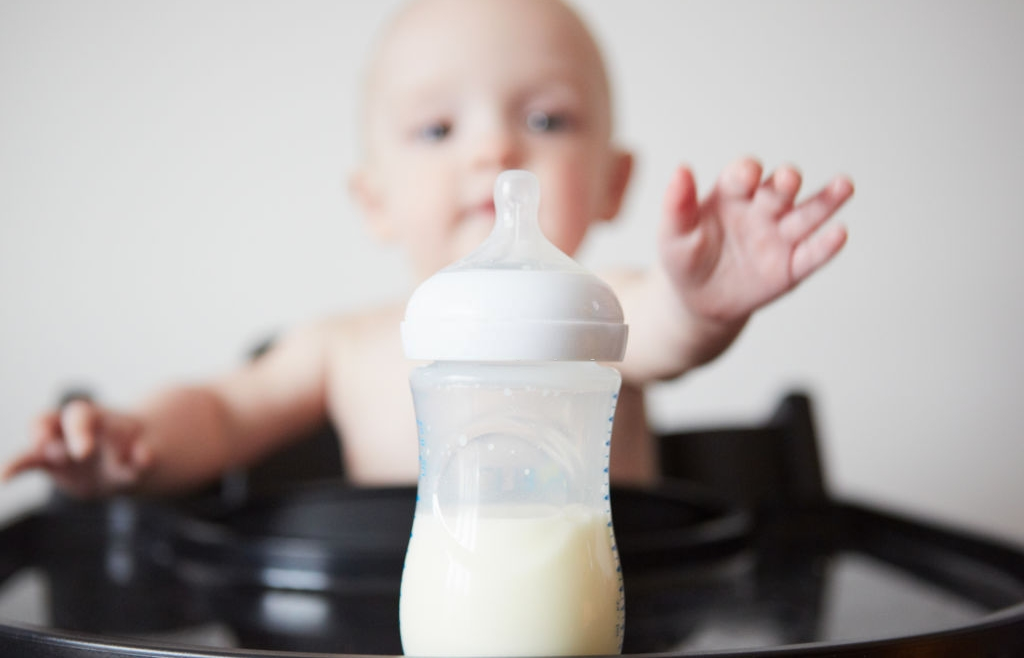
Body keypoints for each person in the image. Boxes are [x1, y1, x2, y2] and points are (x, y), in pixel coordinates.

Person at [2, 0, 852, 498]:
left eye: (546, 119)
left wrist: (700, 302)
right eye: (437, 127)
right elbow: (227, 413)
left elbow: (664, 331)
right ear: (376, 200)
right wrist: (132, 440)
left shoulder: (599, 309)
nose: (493, 151)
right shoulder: (345, 348)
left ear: (612, 184)